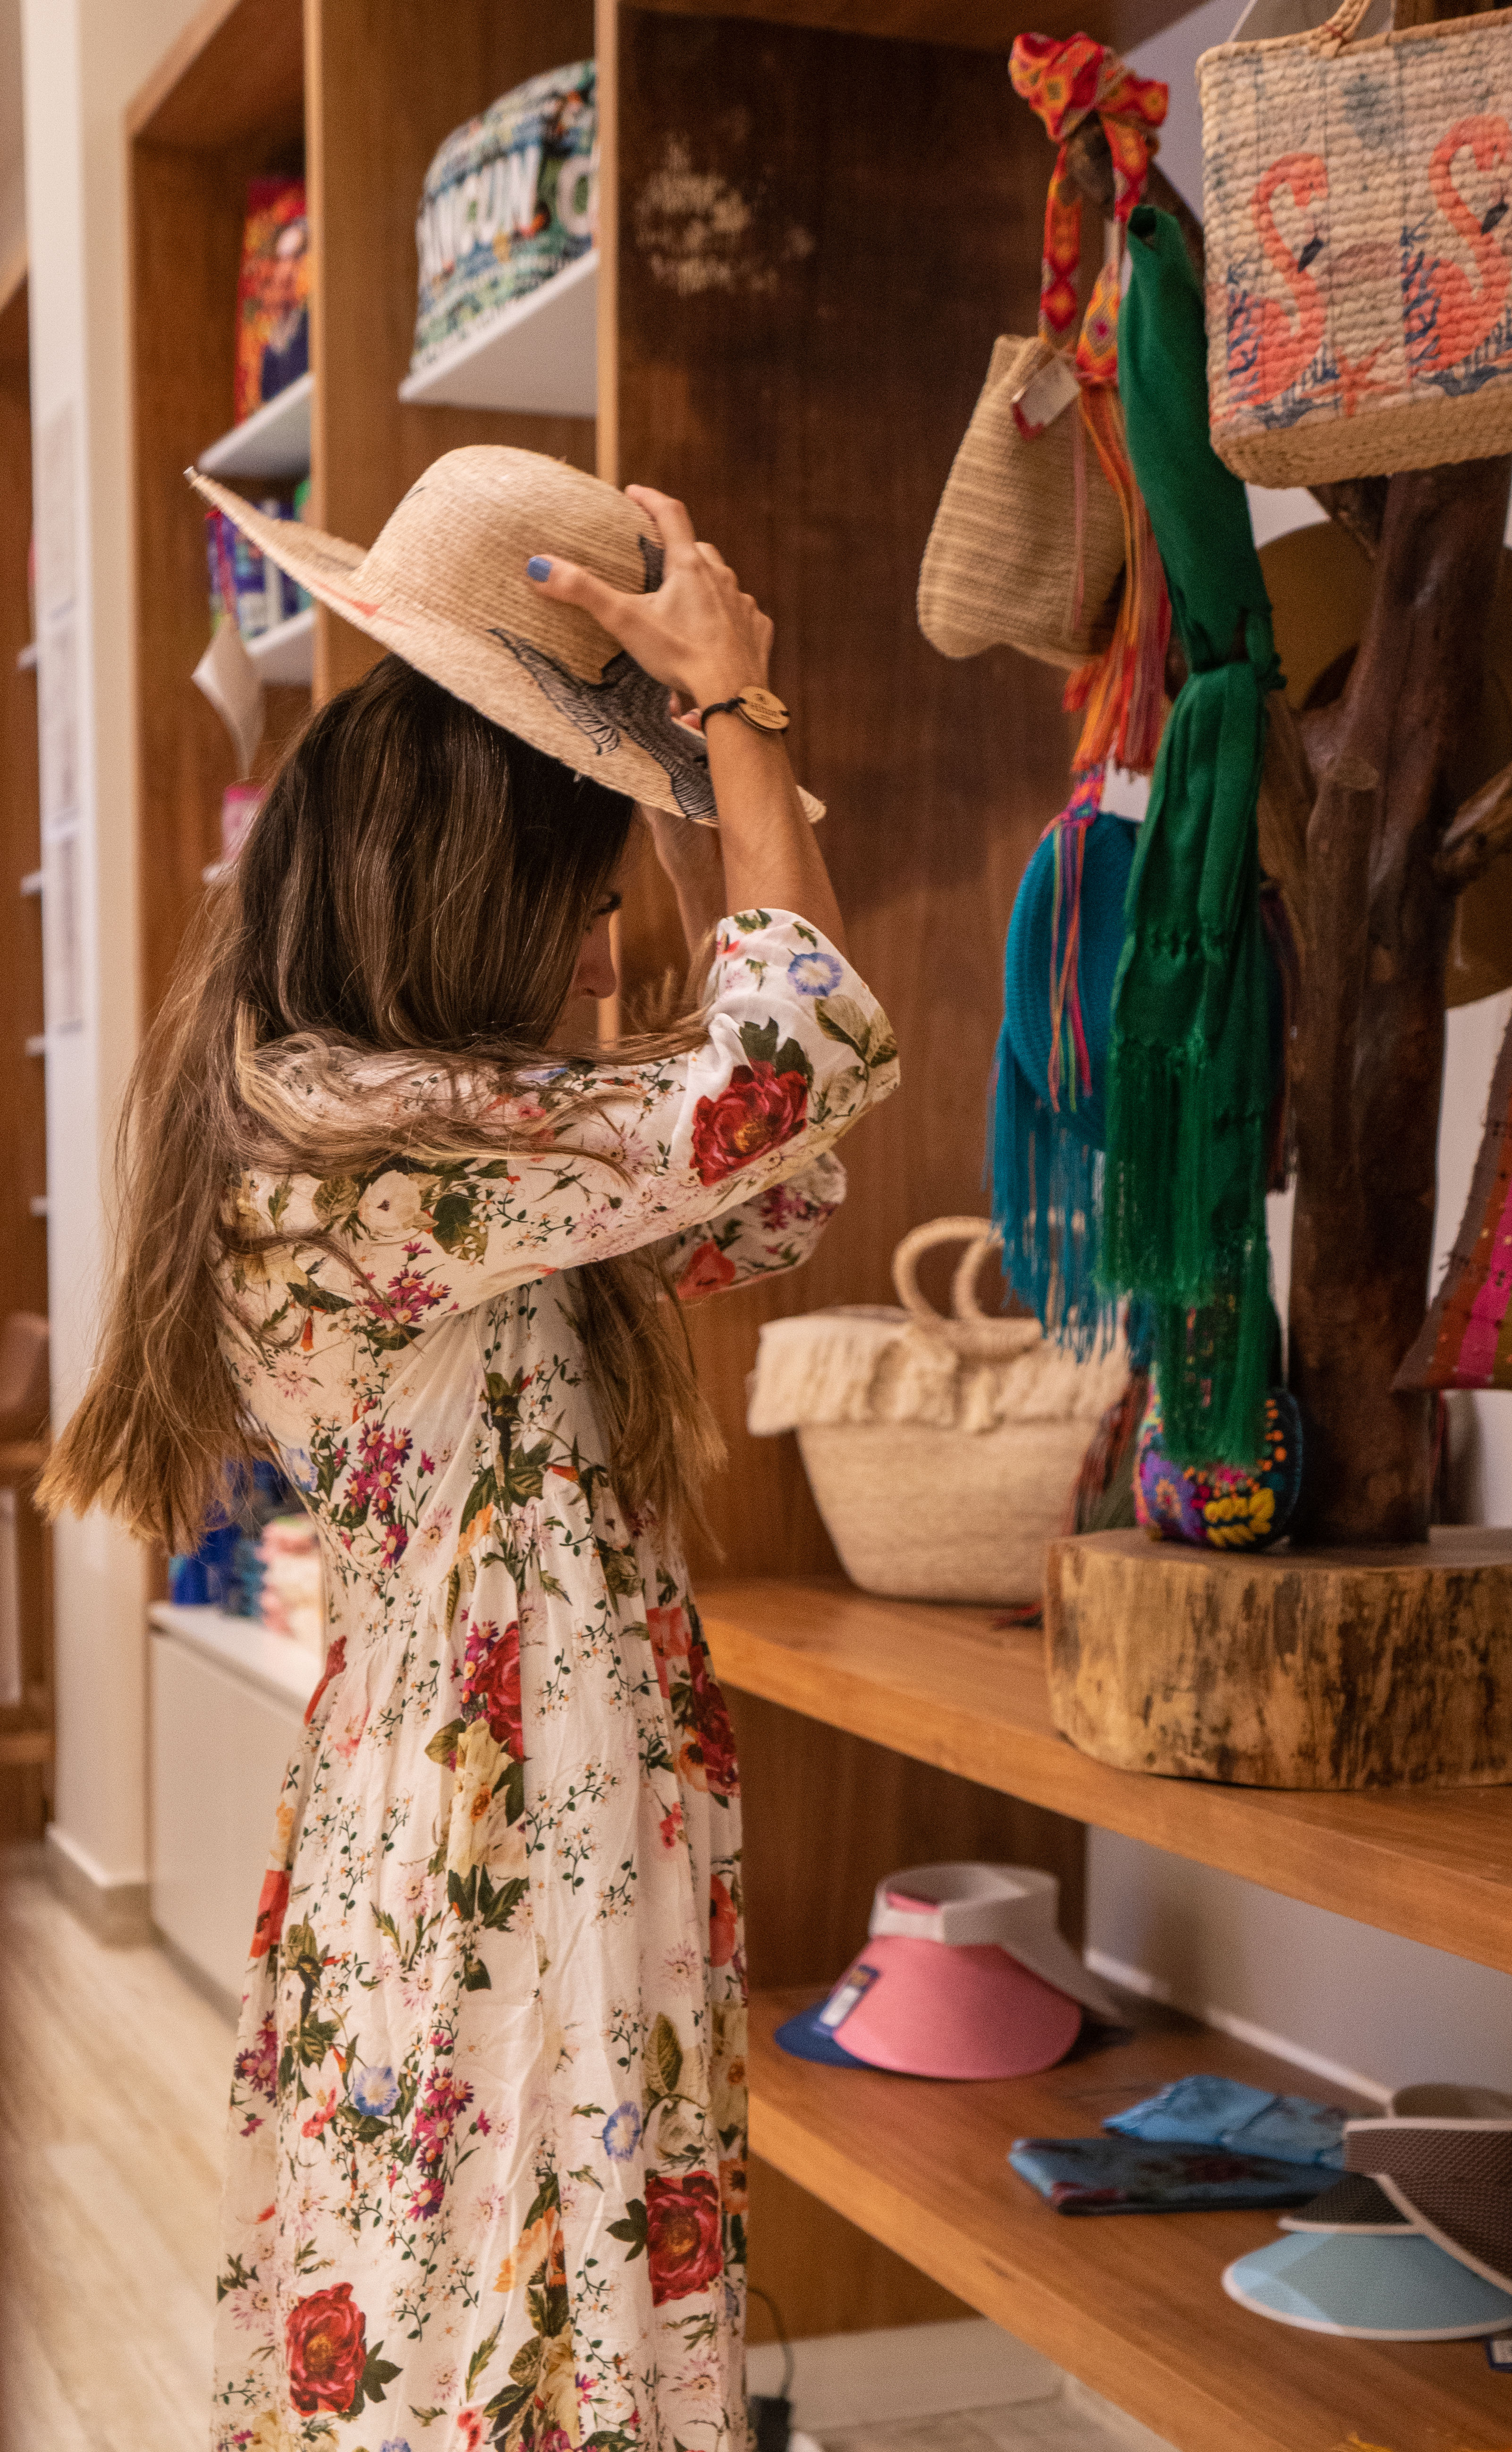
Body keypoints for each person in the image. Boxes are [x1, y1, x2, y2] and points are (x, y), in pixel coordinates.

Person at [45, 484, 897, 2452]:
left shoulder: (381, 1109)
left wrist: (695, 777)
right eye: (592, 902)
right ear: (481, 886)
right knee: (522, 2277)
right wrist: (736, 729)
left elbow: (780, 1165)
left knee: (465, 2280)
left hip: (487, 1778)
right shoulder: (373, 1137)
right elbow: (791, 1070)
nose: (611, 958)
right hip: (517, 1811)